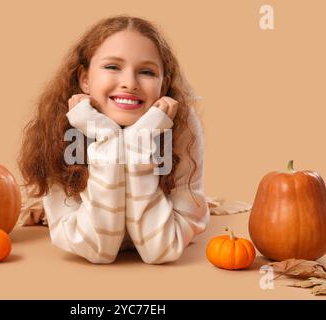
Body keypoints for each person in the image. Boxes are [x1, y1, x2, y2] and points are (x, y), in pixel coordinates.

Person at [18, 15, 209, 264]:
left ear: (163, 86)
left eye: (147, 72)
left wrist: (140, 140)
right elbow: (98, 249)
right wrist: (107, 137)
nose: (129, 83)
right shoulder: (61, 128)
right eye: (112, 67)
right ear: (85, 79)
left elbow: (161, 249)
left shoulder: (181, 125)